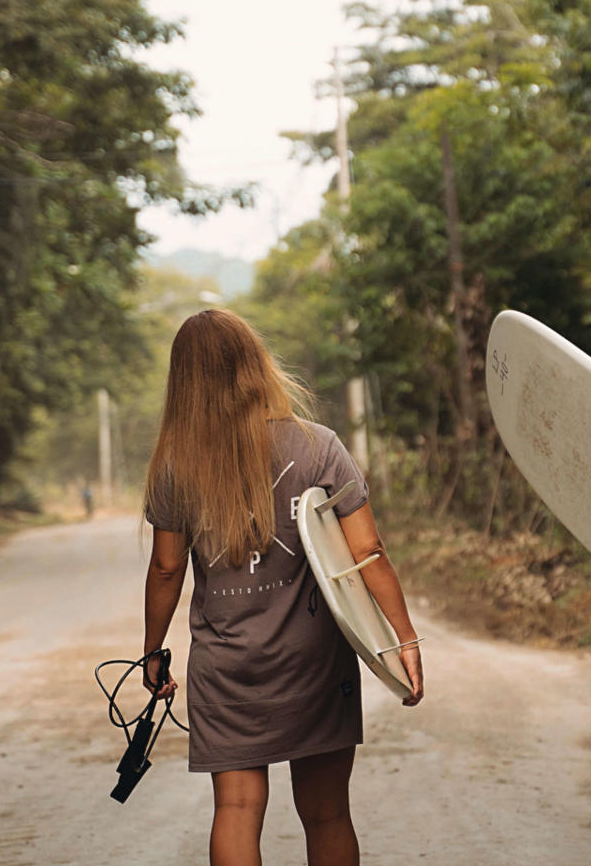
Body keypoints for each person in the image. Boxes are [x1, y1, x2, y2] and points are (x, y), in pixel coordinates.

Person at [140, 308, 424, 866]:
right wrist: (404, 640)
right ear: (253, 364)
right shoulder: (318, 446)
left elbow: (167, 569)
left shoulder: (175, 464)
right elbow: (368, 552)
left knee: (237, 811)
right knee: (327, 813)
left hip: (226, 665)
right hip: (315, 660)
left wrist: (152, 652)